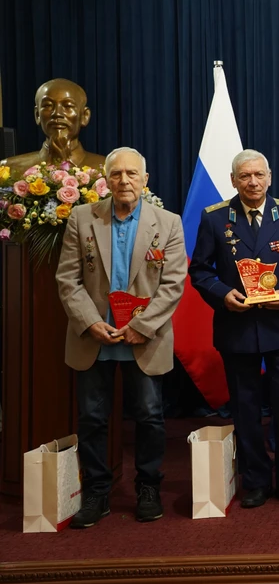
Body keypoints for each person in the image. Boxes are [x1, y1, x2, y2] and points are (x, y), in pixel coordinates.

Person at [55, 147, 186, 527]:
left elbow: (174, 284)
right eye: (117, 175)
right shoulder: (82, 218)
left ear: (145, 180)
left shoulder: (168, 222)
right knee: (92, 418)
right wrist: (90, 321)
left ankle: (148, 486)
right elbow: (68, 278)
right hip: (93, 337)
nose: (124, 180)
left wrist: (140, 326)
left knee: (149, 417)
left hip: (144, 338)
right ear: (106, 180)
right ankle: (97, 492)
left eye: (132, 174)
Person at [189, 149, 279, 510]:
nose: (253, 182)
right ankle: (255, 481)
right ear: (233, 180)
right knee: (245, 410)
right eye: (245, 176)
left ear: (269, 177)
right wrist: (223, 294)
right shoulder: (215, 219)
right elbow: (199, 270)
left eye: (259, 175)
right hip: (237, 328)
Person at [2, 78, 105, 175]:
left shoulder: (108, 169)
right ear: (37, 115)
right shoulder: (8, 169)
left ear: (84, 116)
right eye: (48, 105)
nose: (57, 113)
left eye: (68, 106)